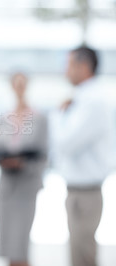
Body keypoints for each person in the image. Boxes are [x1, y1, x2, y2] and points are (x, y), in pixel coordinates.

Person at [50, 46, 114, 266]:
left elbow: (65, 143)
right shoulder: (83, 99)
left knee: (83, 257)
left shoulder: (93, 101)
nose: (65, 71)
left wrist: (59, 114)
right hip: (79, 193)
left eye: (69, 65)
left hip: (86, 195)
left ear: (84, 66)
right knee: (79, 254)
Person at [0, 72, 48, 266]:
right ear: (12, 86)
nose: (19, 88)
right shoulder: (4, 117)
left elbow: (43, 153)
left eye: (22, 84)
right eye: (16, 84)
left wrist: (23, 163)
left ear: (27, 86)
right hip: (7, 185)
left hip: (26, 185)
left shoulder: (39, 117)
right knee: (9, 243)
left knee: (21, 242)